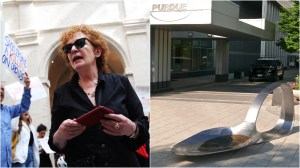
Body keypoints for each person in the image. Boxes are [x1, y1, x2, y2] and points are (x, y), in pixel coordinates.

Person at [48, 24, 150, 167]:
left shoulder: (120, 83)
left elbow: (143, 125)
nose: (72, 49)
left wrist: (132, 129)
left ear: (97, 51)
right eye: (67, 48)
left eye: (79, 43)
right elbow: (54, 143)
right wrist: (61, 135)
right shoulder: (62, 93)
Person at [1, 73, 31, 167]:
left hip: (7, 162)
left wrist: (26, 88)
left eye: (3, 89)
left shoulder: (8, 111)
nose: (1, 91)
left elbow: (24, 106)